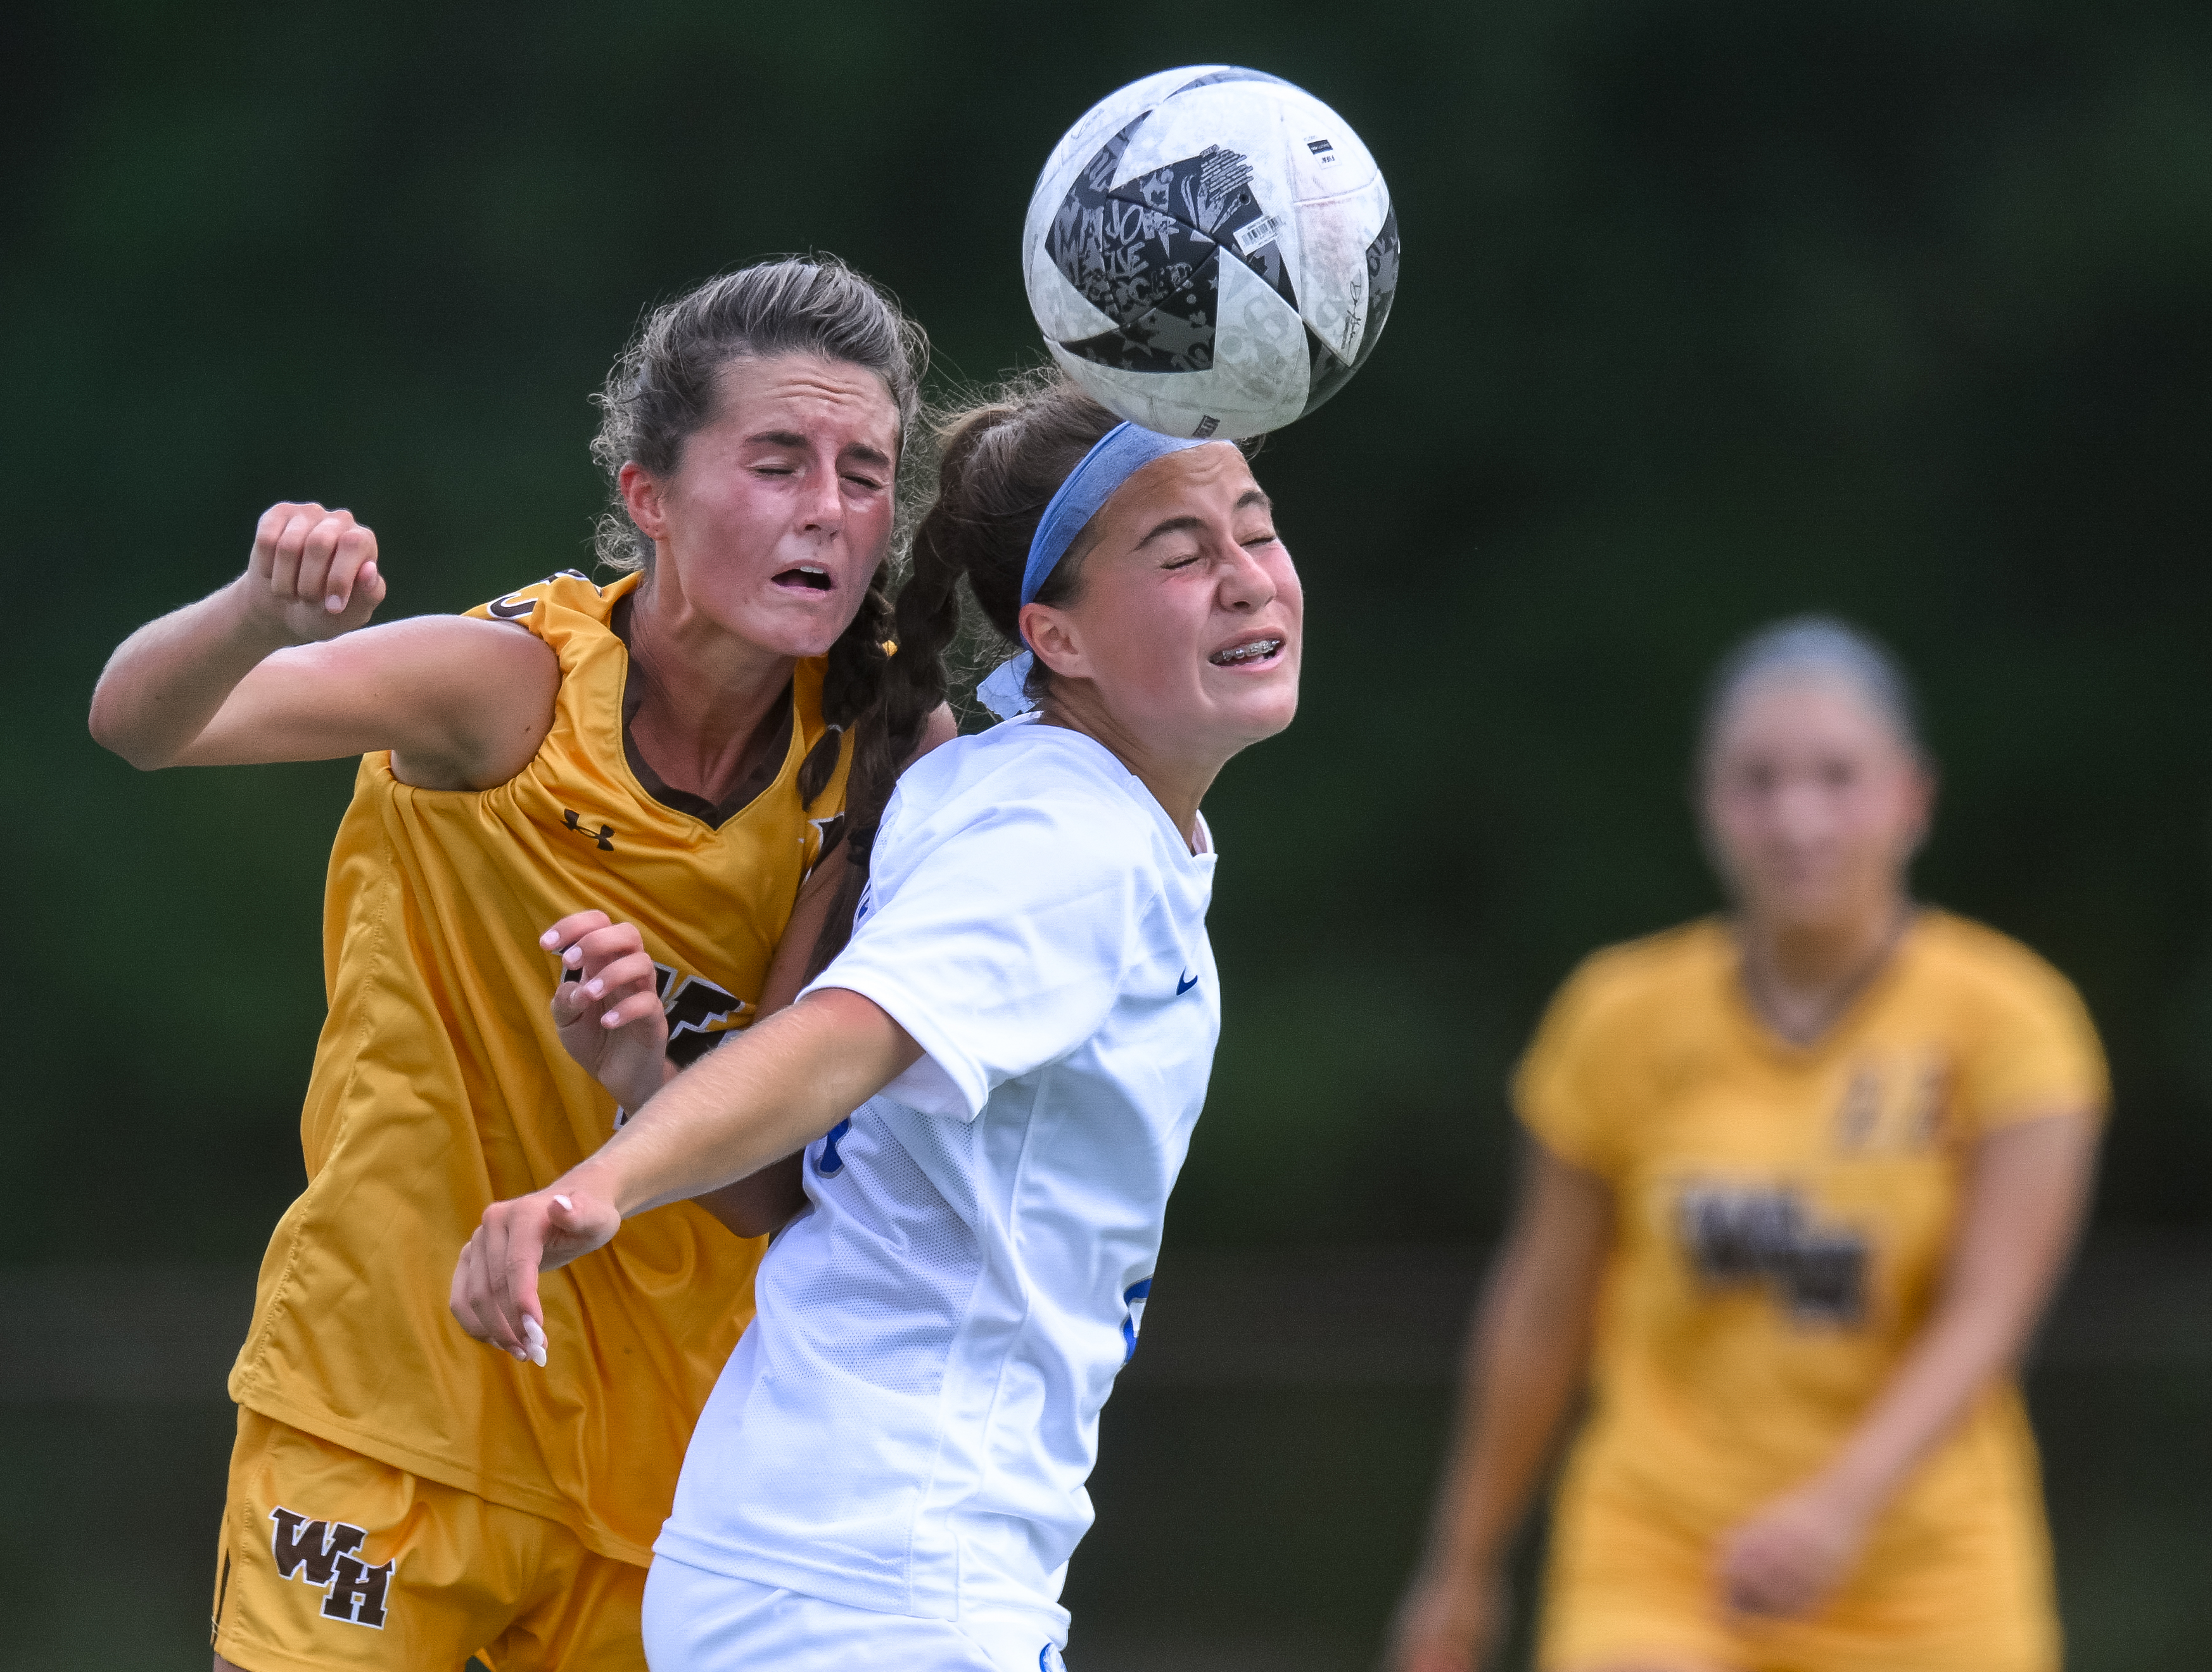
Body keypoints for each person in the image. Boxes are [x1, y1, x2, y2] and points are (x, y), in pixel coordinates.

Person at [87, 257, 953, 1672]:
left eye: (865, 473)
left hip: (670, 1458)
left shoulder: (882, 750)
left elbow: (761, 1195)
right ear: (648, 498)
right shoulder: (507, 692)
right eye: (779, 461)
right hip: (385, 1407)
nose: (829, 510)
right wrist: (257, 611)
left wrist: (639, 1076)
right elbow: (141, 721)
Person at [452, 369, 1306, 1669]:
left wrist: (650, 1087)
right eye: (1180, 553)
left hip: (827, 1561)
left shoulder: (1010, 790)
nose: (1247, 576)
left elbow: (805, 1167)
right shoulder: (1069, 841)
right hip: (883, 1585)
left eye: (1254, 526)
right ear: (1054, 639)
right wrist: (605, 1183)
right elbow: (850, 1031)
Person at [1385, 617, 2108, 1672]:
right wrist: (1460, 1568)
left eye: (1836, 777)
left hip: (1928, 1568)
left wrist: (1839, 1506)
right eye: (1758, 782)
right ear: (1708, 805)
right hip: (1662, 1548)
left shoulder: (2014, 1024)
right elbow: (1541, 1310)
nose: (1797, 818)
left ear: (1913, 797)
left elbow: (1989, 1313)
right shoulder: (1615, 1017)